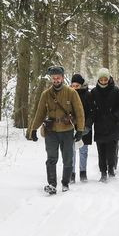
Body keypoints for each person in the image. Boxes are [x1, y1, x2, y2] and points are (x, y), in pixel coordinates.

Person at [27, 65, 85, 194]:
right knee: (51, 158)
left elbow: (79, 112)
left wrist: (80, 130)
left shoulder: (72, 93)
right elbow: (40, 113)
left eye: (58, 78)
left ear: (63, 78)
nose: (56, 80)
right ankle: (52, 184)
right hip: (51, 131)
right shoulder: (46, 94)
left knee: (68, 158)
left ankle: (65, 183)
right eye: (54, 78)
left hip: (67, 130)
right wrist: (33, 129)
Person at [90, 67, 119, 182]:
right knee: (101, 151)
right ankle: (103, 172)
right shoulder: (94, 92)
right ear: (99, 80)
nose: (103, 81)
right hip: (99, 125)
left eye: (105, 79)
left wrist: (115, 116)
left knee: (111, 150)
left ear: (108, 78)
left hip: (112, 125)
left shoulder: (116, 91)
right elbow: (91, 108)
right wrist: (93, 117)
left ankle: (111, 169)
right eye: (101, 79)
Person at [70, 73, 93, 182]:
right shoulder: (69, 94)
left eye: (77, 86)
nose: (75, 88)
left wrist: (87, 125)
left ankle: (83, 172)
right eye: (73, 85)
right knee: (71, 151)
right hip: (71, 126)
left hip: (85, 127)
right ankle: (71, 173)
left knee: (83, 150)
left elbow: (91, 112)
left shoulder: (87, 95)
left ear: (81, 85)